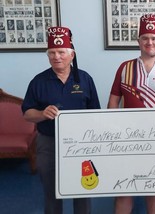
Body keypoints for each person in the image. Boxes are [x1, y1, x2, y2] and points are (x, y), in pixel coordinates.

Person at [108, 14, 155, 214]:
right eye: (145, 38)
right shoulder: (125, 67)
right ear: (138, 41)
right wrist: (111, 129)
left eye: (154, 38)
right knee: (124, 185)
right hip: (127, 136)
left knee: (154, 183)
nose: (149, 42)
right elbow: (114, 101)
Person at [21, 26, 101, 214]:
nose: (57, 57)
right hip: (48, 142)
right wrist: (42, 114)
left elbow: (95, 113)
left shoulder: (85, 79)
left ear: (71, 55)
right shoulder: (38, 81)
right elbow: (26, 113)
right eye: (52, 53)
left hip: (80, 144)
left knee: (82, 188)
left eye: (61, 52)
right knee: (51, 190)